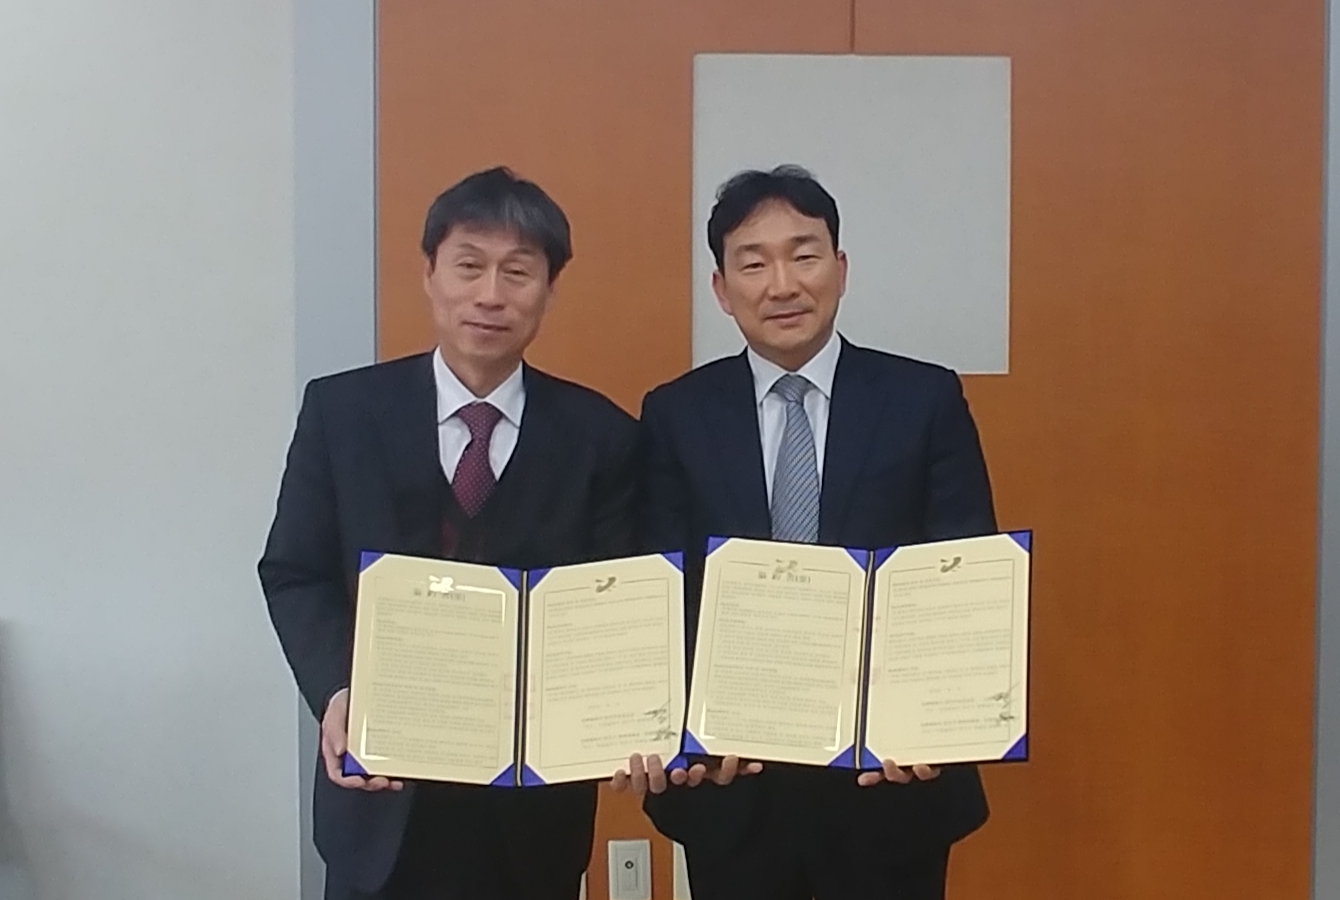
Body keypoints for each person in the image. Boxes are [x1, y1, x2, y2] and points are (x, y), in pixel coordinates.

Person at [615, 165, 998, 900]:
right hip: (732, 787)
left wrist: (930, 723)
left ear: (840, 269)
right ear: (721, 288)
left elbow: (962, 574)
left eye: (804, 255)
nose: (782, 284)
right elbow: (662, 588)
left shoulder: (923, 398)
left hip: (889, 785)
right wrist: (677, 733)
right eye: (753, 263)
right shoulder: (676, 413)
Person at [259, 167, 637, 900]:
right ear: (429, 274)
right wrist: (338, 689)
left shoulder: (603, 437)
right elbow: (294, 570)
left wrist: (622, 716)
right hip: (380, 792)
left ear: (549, 291)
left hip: (532, 812)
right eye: (468, 265)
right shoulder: (342, 413)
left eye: (517, 272)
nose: (490, 294)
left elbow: (615, 604)